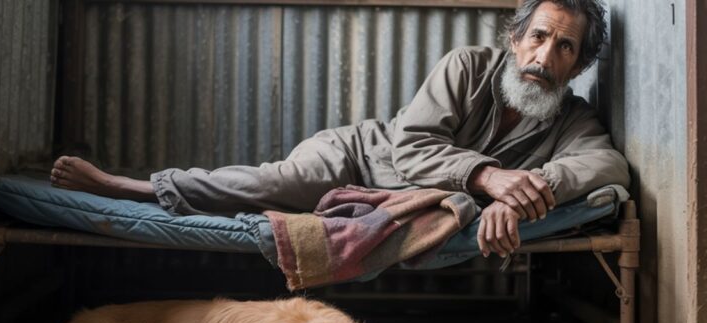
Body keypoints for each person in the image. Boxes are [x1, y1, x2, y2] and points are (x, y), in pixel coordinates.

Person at [50, 0, 629, 260]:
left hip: (416, 198)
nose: (543, 55)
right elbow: (411, 147)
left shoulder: (572, 118)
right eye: (538, 36)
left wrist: (523, 192)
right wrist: (489, 177)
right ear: (514, 38)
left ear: (576, 67)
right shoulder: (467, 66)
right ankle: (134, 188)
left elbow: (607, 167)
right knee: (278, 186)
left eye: (564, 47)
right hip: (358, 156)